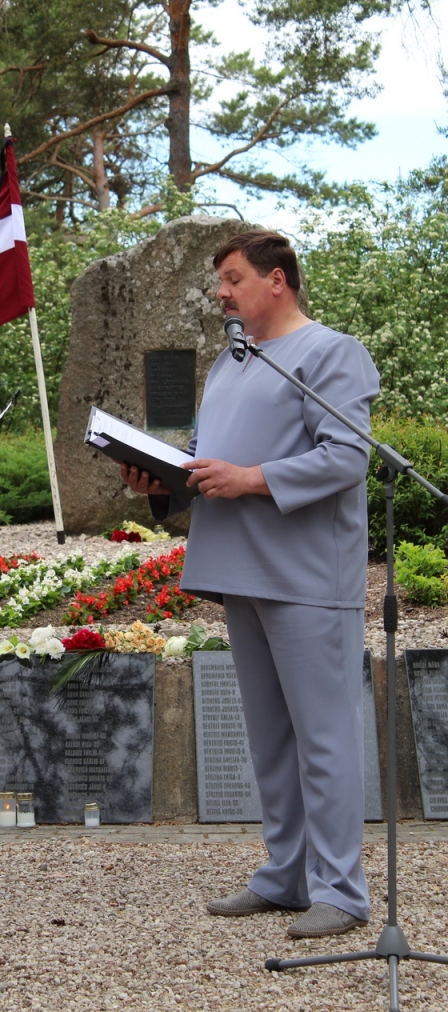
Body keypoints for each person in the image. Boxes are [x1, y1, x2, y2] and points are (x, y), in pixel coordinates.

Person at [122, 229, 380, 939]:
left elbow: (345, 459)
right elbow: (213, 464)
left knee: (322, 738)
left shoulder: (331, 353)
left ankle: (342, 892)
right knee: (269, 738)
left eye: (232, 277)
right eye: (220, 280)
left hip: (305, 576)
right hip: (240, 568)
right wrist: (161, 481)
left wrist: (251, 478)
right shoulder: (231, 364)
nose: (221, 292)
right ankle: (285, 875)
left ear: (278, 279)